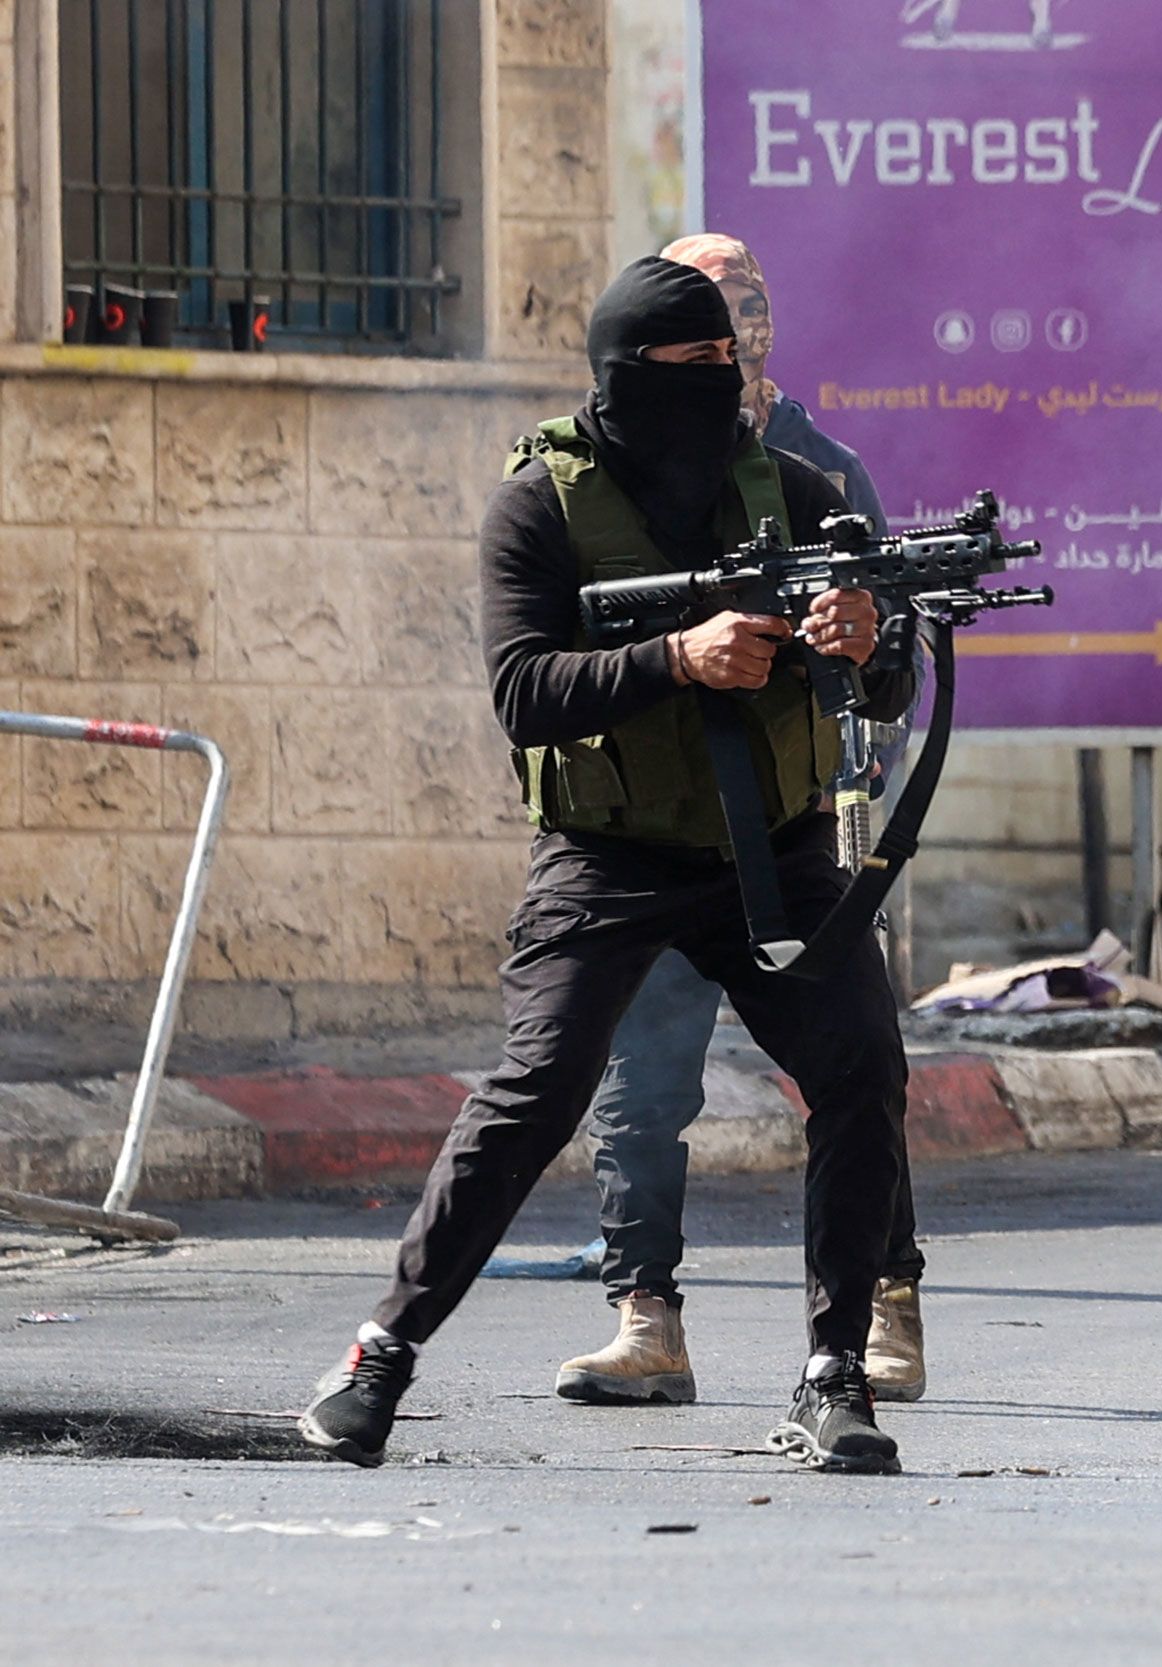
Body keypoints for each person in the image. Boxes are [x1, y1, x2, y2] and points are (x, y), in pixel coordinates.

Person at [299, 257, 917, 1474]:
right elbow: (524, 691)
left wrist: (869, 639)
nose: (727, 385)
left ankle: (834, 1368)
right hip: (611, 850)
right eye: (697, 367)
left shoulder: (787, 491)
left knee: (863, 1067)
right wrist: (675, 659)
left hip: (774, 846)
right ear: (629, 373)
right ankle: (380, 1352)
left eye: (732, 363)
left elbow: (887, 676)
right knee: (534, 1093)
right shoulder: (540, 504)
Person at [552, 232, 934, 1411]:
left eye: (746, 304)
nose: (735, 326)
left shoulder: (817, 464)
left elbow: (893, 634)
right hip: (654, 822)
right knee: (643, 1075)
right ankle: (645, 1312)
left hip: (788, 816)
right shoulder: (602, 460)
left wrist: (863, 691)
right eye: (710, 308)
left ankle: (884, 1305)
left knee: (852, 1061)